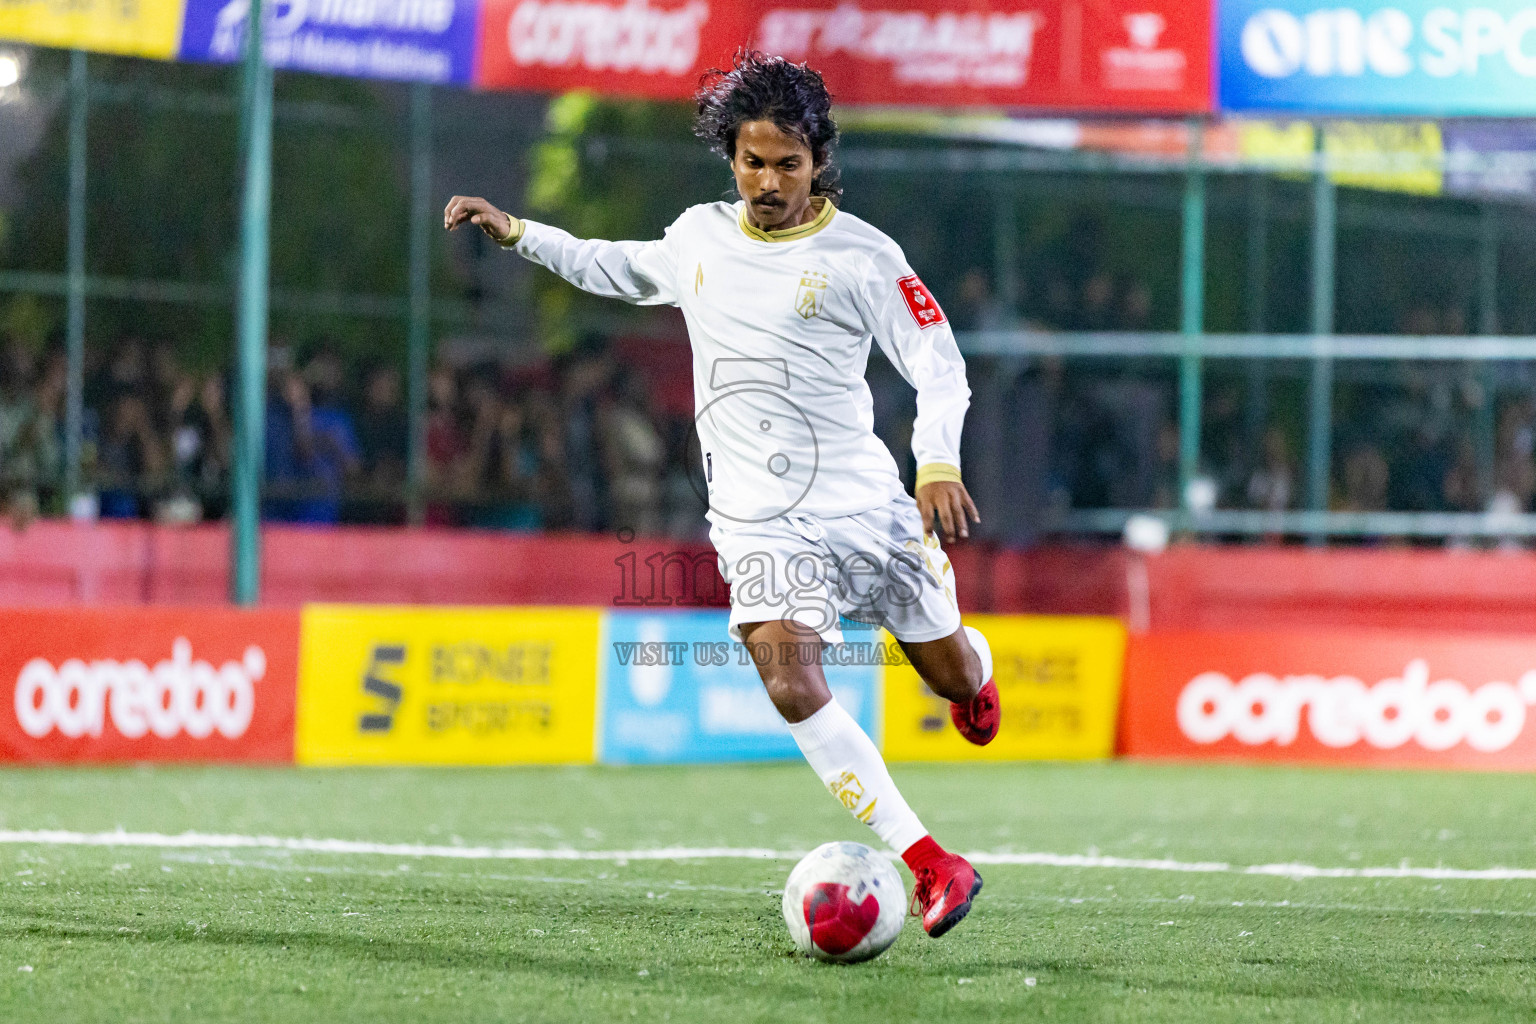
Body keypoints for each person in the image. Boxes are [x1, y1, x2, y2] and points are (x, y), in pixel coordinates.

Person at [445, 51, 998, 939]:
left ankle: (974, 669)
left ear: (819, 160)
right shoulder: (701, 237)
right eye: (752, 161)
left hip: (867, 509)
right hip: (756, 520)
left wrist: (935, 461)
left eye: (788, 163)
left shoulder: (865, 256)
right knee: (786, 674)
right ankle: (932, 862)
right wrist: (517, 232)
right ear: (729, 157)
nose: (768, 181)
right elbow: (610, 265)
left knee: (950, 678)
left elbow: (940, 366)